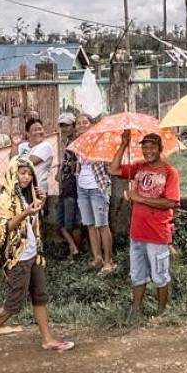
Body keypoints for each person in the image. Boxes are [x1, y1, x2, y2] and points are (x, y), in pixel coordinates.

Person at [0, 157, 74, 362]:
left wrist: (37, 204)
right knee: (13, 303)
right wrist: (25, 213)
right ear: (14, 173)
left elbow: (32, 225)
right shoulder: (4, 200)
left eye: (29, 173)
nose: (26, 176)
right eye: (22, 172)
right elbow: (2, 229)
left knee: (39, 296)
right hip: (18, 258)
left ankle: (47, 338)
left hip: (33, 254)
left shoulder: (25, 196)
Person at [111, 131, 180, 321]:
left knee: (160, 275)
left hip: (157, 233)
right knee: (137, 274)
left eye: (152, 147)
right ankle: (136, 310)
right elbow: (113, 169)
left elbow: (171, 202)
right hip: (137, 232)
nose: (148, 151)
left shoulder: (169, 172)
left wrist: (138, 198)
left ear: (160, 149)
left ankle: (161, 312)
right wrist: (124, 144)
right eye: (145, 147)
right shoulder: (138, 167)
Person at [75, 113, 114, 273]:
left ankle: (108, 261)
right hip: (82, 188)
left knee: (102, 225)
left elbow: (109, 166)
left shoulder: (101, 142)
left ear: (91, 125)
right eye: (79, 123)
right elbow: (79, 166)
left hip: (97, 188)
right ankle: (96, 257)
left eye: (85, 122)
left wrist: (103, 184)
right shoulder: (77, 144)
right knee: (90, 225)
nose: (82, 125)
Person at [55, 112, 82, 259]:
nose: (65, 129)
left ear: (74, 126)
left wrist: (68, 171)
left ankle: (75, 251)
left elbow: (74, 167)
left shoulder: (77, 142)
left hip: (72, 185)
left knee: (71, 222)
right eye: (62, 126)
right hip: (66, 184)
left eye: (67, 125)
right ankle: (74, 249)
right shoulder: (67, 142)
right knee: (64, 221)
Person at [12, 117, 55, 192]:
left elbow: (26, 164)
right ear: (28, 133)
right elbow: (12, 161)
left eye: (40, 129)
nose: (38, 132)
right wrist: (15, 145)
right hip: (21, 189)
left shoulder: (46, 146)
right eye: (35, 130)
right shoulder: (22, 146)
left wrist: (16, 163)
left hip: (37, 190)